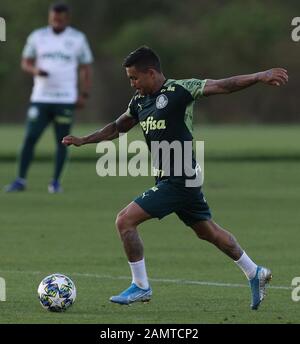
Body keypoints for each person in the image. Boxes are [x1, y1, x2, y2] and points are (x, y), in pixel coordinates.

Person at [62, 46, 288, 309]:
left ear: (151, 72)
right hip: (172, 179)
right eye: (129, 79)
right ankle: (254, 272)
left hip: (180, 178)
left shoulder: (180, 90)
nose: (133, 84)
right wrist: (84, 140)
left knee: (125, 220)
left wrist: (260, 75)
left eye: (135, 78)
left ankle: (141, 286)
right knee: (208, 232)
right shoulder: (139, 102)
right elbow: (116, 127)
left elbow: (223, 86)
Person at [5, 3, 93, 193]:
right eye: (53, 18)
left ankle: (55, 183)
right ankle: (20, 180)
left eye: (60, 19)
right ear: (49, 17)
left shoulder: (77, 38)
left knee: (63, 141)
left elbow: (86, 67)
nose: (56, 21)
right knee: (30, 137)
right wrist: (35, 70)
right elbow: (25, 62)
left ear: (67, 19)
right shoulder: (38, 36)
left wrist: (84, 93)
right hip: (41, 97)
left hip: (65, 98)